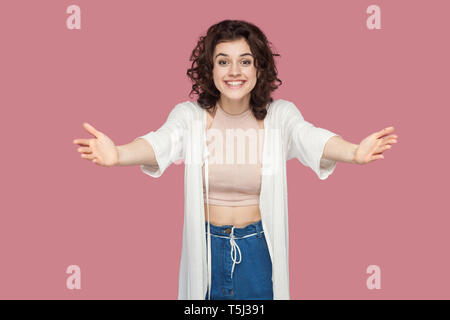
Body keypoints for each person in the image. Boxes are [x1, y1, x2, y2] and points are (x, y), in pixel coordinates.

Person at [73, 19, 398, 300]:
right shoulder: (190, 117)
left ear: (259, 67)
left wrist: (354, 152)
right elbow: (160, 143)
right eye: (223, 62)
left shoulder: (279, 116)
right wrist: (118, 155)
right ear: (210, 68)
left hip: (258, 250)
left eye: (245, 61)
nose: (234, 72)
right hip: (205, 248)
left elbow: (310, 137)